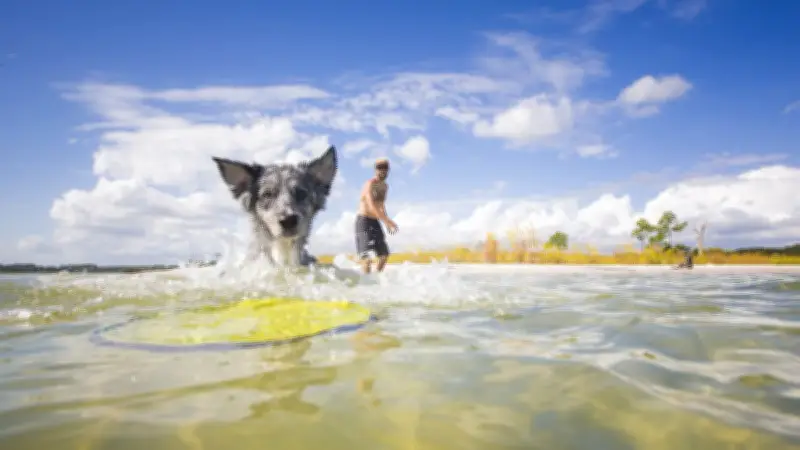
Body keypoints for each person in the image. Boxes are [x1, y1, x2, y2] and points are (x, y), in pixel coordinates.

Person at [355, 158, 398, 274]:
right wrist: (387, 221)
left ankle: (375, 280)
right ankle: (365, 284)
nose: (382, 171)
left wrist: (387, 222)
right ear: (375, 170)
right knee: (367, 258)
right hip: (363, 221)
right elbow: (371, 204)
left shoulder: (385, 187)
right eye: (379, 168)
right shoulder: (369, 184)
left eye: (384, 168)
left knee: (384, 255)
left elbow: (381, 206)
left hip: (375, 222)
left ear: (387, 170)